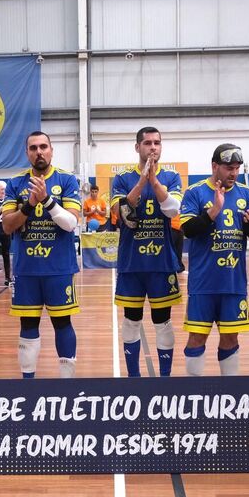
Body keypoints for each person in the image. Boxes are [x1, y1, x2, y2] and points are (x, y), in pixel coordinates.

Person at [2, 131, 82, 378]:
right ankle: (29, 384)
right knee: (27, 325)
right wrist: (28, 205)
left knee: (62, 323)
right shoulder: (15, 183)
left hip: (59, 269)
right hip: (27, 270)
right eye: (33, 148)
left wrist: (46, 200)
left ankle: (66, 384)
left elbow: (71, 223)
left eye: (43, 147)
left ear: (51, 150)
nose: (39, 152)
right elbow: (7, 226)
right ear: (27, 152)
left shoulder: (67, 180)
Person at [179, 143, 249, 376]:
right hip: (203, 283)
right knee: (196, 336)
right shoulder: (195, 192)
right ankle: (194, 393)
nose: (233, 173)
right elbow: (187, 230)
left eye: (237, 168)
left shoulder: (246, 193)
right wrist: (213, 211)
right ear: (215, 166)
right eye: (228, 168)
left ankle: (230, 391)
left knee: (230, 336)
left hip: (233, 282)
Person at [111, 126, 183, 377]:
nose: (153, 147)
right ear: (137, 147)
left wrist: (153, 180)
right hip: (132, 263)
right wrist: (143, 180)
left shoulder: (172, 178)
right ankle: (133, 377)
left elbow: (173, 211)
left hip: (162, 264)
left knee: (163, 322)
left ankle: (164, 378)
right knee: (131, 320)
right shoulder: (121, 179)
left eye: (157, 143)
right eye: (148, 143)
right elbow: (119, 212)